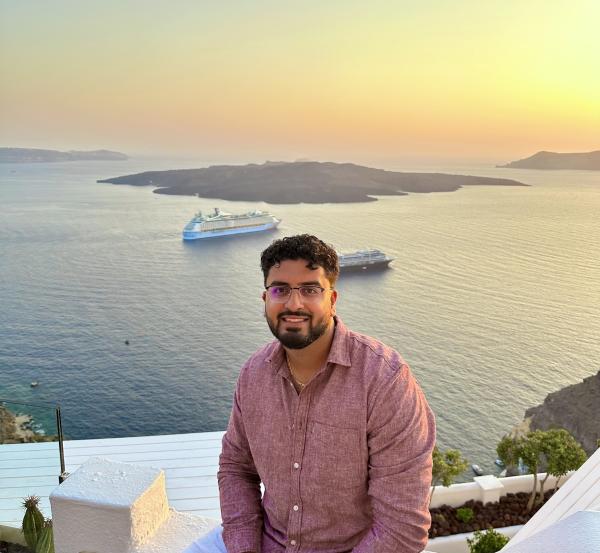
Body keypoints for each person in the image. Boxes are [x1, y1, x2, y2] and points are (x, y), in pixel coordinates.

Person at [185, 234, 435, 553]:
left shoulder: (383, 380)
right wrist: (245, 548)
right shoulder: (254, 374)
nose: (293, 304)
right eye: (280, 290)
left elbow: (402, 527)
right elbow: (236, 467)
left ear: (331, 300)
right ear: (265, 299)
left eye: (310, 289)